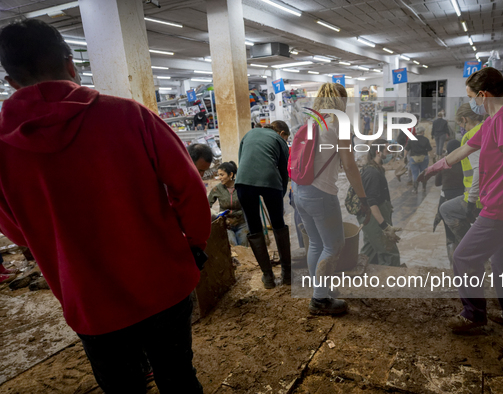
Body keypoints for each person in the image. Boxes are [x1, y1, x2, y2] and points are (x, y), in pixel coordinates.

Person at [0, 20, 210, 393]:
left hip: (90, 300)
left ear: (12, 82)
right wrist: (194, 244)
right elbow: (189, 186)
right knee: (178, 378)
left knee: (123, 387)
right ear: (70, 64)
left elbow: (16, 230)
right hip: (162, 283)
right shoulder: (130, 115)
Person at [418, 67, 503, 335]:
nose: (471, 102)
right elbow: (464, 149)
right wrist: (433, 168)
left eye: (471, 97)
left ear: (482, 95)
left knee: (464, 257)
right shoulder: (494, 120)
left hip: (502, 208)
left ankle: (474, 314)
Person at [292, 82, 370, 315]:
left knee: (316, 243)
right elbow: (349, 165)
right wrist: (362, 196)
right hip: (320, 194)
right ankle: (319, 301)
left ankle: (320, 289)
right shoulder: (338, 124)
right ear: (341, 101)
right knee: (334, 245)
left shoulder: (311, 121)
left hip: (299, 191)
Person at [235, 120, 291, 289]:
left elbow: (242, 161)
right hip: (270, 181)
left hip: (243, 182)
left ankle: (268, 277)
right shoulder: (279, 140)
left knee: (254, 227)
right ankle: (287, 274)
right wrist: (279, 196)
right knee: (278, 224)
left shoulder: (248, 134)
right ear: (281, 133)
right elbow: (284, 171)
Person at [439, 104, 485, 261]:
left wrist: (471, 200)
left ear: (464, 120)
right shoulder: (489, 128)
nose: (461, 129)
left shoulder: (472, 136)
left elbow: (478, 170)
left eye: (460, 125)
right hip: (491, 191)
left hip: (479, 196)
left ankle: (470, 248)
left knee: (446, 209)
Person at [357, 139, 402, 266]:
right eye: (387, 151)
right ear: (378, 152)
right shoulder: (372, 173)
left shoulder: (376, 169)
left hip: (374, 217)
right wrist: (384, 226)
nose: (389, 154)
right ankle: (392, 281)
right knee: (389, 250)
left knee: (370, 250)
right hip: (374, 219)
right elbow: (372, 204)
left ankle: (361, 273)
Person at [433, 139, 464, 266]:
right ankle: (464, 263)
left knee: (450, 236)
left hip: (446, 201)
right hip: (463, 201)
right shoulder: (466, 162)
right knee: (463, 233)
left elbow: (437, 183)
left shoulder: (445, 163)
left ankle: (453, 266)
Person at [208, 161, 248, 247]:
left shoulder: (241, 187)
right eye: (219, 175)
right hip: (226, 224)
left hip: (241, 223)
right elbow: (207, 206)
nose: (219, 178)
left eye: (222, 175)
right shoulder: (217, 189)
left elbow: (251, 204)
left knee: (244, 249)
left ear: (231, 175)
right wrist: (215, 216)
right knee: (232, 248)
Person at [404, 126, 432, 193]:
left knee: (415, 174)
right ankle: (424, 188)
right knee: (424, 173)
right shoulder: (426, 139)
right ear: (422, 132)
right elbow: (430, 150)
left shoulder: (411, 140)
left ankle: (415, 189)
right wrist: (433, 158)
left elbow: (406, 149)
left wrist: (405, 157)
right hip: (424, 158)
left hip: (414, 159)